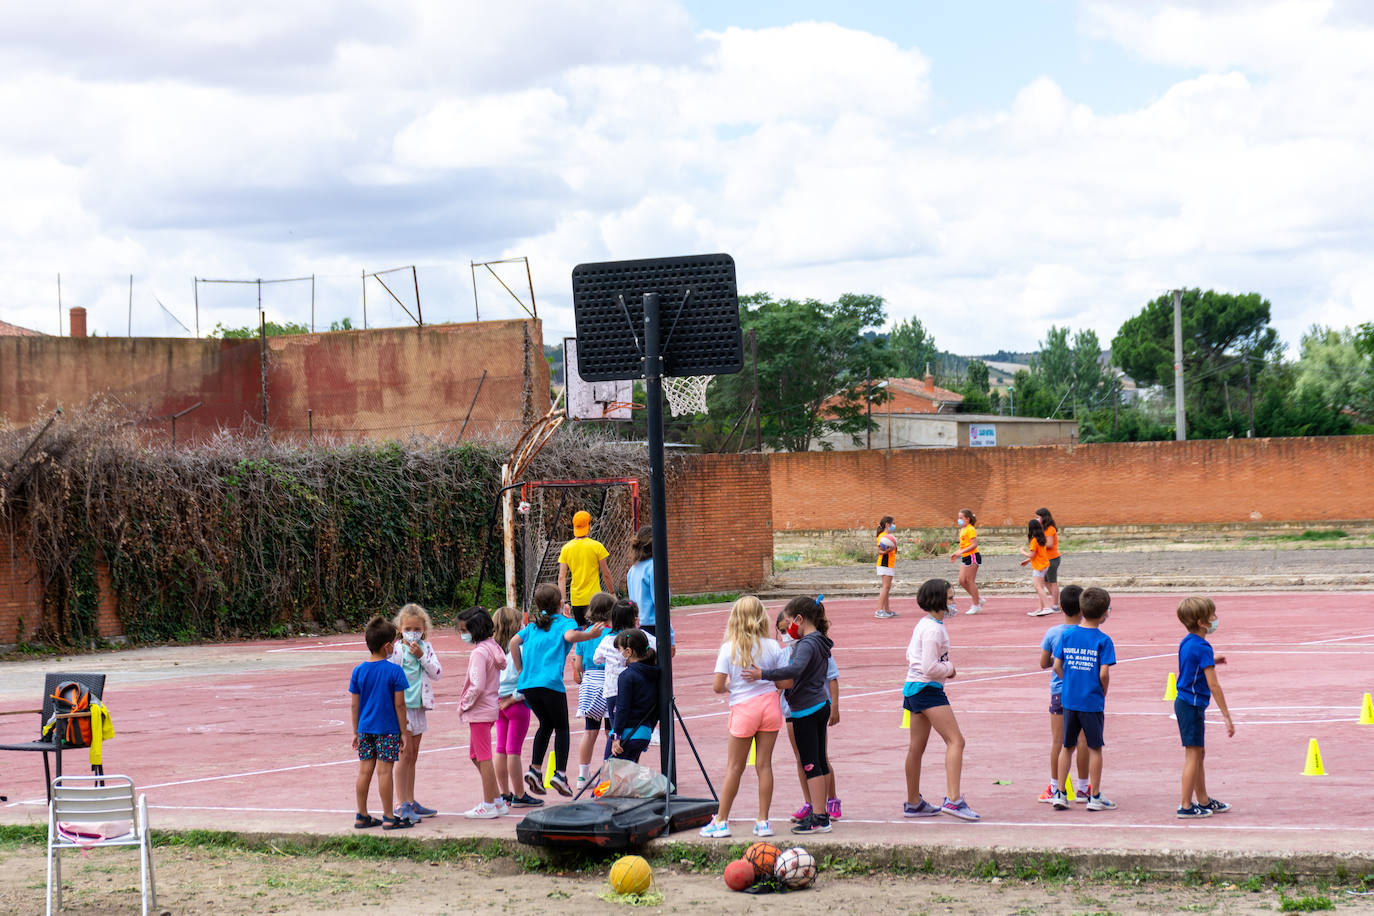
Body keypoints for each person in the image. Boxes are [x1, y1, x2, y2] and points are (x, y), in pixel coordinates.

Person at [744, 595, 835, 835]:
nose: (788, 631)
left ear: (799, 619)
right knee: (820, 761)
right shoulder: (820, 641)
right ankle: (821, 812)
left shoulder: (806, 644)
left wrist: (763, 674)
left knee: (811, 763)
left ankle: (819, 817)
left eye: (788, 624)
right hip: (818, 703)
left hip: (807, 708)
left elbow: (795, 670)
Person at [699, 596, 788, 839]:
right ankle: (763, 821)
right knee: (764, 765)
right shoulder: (772, 646)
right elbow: (782, 681)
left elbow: (718, 685)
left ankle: (721, 820)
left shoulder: (729, 648)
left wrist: (732, 684)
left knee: (735, 767)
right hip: (770, 706)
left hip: (743, 708)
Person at [510, 583, 605, 796]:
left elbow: (513, 643)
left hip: (528, 685)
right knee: (562, 727)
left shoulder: (534, 626)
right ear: (560, 603)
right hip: (550, 684)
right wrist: (589, 635)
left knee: (545, 725)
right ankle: (560, 774)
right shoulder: (565, 623)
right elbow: (570, 637)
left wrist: (520, 669)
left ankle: (535, 769)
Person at [901, 578, 979, 821]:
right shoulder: (935, 629)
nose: (954, 603)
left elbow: (911, 656)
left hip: (912, 689)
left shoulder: (924, 624)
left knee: (916, 748)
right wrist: (950, 668)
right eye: (951, 598)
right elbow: (929, 666)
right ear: (938, 601)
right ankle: (954, 800)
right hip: (927, 689)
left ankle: (913, 802)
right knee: (956, 741)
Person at [775, 608, 842, 825]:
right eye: (781, 631)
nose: (786, 634)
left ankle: (830, 800)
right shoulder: (783, 654)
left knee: (819, 757)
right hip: (791, 710)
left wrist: (834, 706)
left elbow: (832, 677)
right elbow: (781, 684)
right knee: (802, 758)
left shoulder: (813, 647)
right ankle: (810, 802)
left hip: (813, 707)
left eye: (787, 629)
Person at [1051, 586, 1117, 811]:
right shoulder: (1104, 640)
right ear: (1104, 613)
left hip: (1069, 699)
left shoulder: (1067, 635)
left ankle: (1060, 792)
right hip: (1091, 701)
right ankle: (1094, 795)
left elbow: (1057, 665)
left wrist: (1069, 681)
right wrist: (1102, 691)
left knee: (1066, 746)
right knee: (1094, 747)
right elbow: (1104, 673)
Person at [348, 616, 412, 830]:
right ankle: (388, 816)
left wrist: (356, 730)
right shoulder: (395, 671)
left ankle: (362, 814)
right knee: (385, 771)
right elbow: (400, 706)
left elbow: (354, 705)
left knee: (364, 771)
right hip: (387, 729)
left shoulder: (358, 671)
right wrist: (403, 731)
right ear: (387, 646)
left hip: (365, 728)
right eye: (393, 643)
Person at [1175, 596, 1235, 818]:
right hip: (1190, 705)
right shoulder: (1202, 647)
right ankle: (1185, 805)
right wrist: (1227, 717)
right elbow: (1214, 684)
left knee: (1199, 752)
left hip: (1188, 703)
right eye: (1212, 616)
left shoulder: (1188, 642)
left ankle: (1203, 799)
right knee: (1193, 754)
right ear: (1202, 622)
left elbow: (1193, 664)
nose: (1216, 619)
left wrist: (1211, 659)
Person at [388, 603, 443, 825]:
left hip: (419, 706)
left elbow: (437, 673)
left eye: (417, 628)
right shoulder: (396, 650)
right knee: (403, 755)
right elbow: (389, 675)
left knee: (413, 756)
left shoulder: (426, 648)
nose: (413, 632)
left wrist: (422, 656)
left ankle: (410, 800)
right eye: (408, 628)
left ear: (424, 629)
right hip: (402, 709)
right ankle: (401, 803)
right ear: (400, 628)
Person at [1037, 585, 1090, 804]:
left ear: (1061, 608)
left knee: (1058, 742)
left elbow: (1043, 663)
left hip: (1059, 691)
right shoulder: (1087, 633)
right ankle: (1084, 788)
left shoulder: (1053, 633)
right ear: (1083, 609)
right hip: (1083, 692)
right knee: (1084, 740)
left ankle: (1054, 786)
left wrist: (1057, 662)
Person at [457, 606, 507, 819]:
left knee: (484, 757)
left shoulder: (479, 652)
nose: (462, 635)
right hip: (488, 708)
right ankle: (496, 799)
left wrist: (464, 705)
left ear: (474, 629)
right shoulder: (492, 647)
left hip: (479, 711)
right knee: (475, 755)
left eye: (464, 630)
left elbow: (476, 685)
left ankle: (488, 805)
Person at [492, 605, 542, 810]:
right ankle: (520, 794)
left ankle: (504, 793)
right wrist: (513, 699)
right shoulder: (521, 649)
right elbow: (526, 679)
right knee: (514, 750)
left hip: (498, 702)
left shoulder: (493, 649)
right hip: (516, 704)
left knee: (501, 748)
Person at [572, 592, 615, 791]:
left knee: (589, 731)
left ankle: (582, 776)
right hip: (608, 683)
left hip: (589, 683)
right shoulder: (612, 634)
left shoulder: (585, 633)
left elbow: (578, 665)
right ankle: (610, 774)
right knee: (611, 732)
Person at [594, 598, 640, 759]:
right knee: (631, 729)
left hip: (612, 691)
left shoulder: (607, 640)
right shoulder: (636, 638)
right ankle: (625, 764)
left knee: (616, 729)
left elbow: (596, 659)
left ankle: (612, 768)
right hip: (634, 690)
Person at [558, 510, 614, 627]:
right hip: (594, 600)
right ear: (589, 526)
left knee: (583, 633)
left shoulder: (566, 548)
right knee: (596, 631)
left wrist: (564, 602)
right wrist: (612, 592)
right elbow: (606, 573)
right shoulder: (596, 546)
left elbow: (561, 577)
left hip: (576, 599)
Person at [610, 629, 659, 762]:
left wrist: (617, 736)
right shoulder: (655, 673)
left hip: (627, 733)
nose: (618, 654)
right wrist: (649, 729)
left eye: (619, 650)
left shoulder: (627, 676)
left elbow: (622, 707)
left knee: (612, 773)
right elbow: (657, 708)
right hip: (644, 733)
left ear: (629, 651)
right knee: (630, 773)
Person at [626, 525, 676, 654]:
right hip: (655, 627)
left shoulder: (633, 569)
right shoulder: (654, 567)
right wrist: (670, 637)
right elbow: (661, 605)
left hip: (638, 626)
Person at [949, 509, 982, 614]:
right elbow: (963, 546)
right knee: (961, 581)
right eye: (958, 518)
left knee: (969, 580)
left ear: (967, 519)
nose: (959, 520)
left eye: (961, 518)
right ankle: (978, 598)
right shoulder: (963, 529)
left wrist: (961, 552)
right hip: (965, 557)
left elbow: (974, 544)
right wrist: (956, 553)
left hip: (972, 556)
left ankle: (976, 605)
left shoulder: (970, 529)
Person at [1021, 517, 1055, 617]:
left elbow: (1031, 554)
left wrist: (1022, 552)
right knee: (1041, 587)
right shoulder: (1041, 538)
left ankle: (1047, 607)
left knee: (1038, 587)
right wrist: (1027, 561)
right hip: (1044, 565)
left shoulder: (1034, 540)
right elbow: (1038, 554)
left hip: (1039, 567)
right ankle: (1041, 608)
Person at [1036, 508, 1063, 611]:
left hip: (1052, 558)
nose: (1037, 519)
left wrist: (1039, 544)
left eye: (1038, 517)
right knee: (1047, 582)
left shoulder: (1050, 529)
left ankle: (1056, 605)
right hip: (1045, 559)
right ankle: (1058, 601)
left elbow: (1050, 544)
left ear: (1044, 517)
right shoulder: (1043, 529)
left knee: (1052, 582)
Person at [874, 516, 899, 619]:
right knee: (885, 587)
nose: (894, 525)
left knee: (887, 588)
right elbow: (880, 551)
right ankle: (879, 610)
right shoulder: (883, 537)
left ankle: (887, 610)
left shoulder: (888, 536)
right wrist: (887, 551)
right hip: (885, 563)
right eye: (893, 523)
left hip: (889, 563)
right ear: (888, 524)